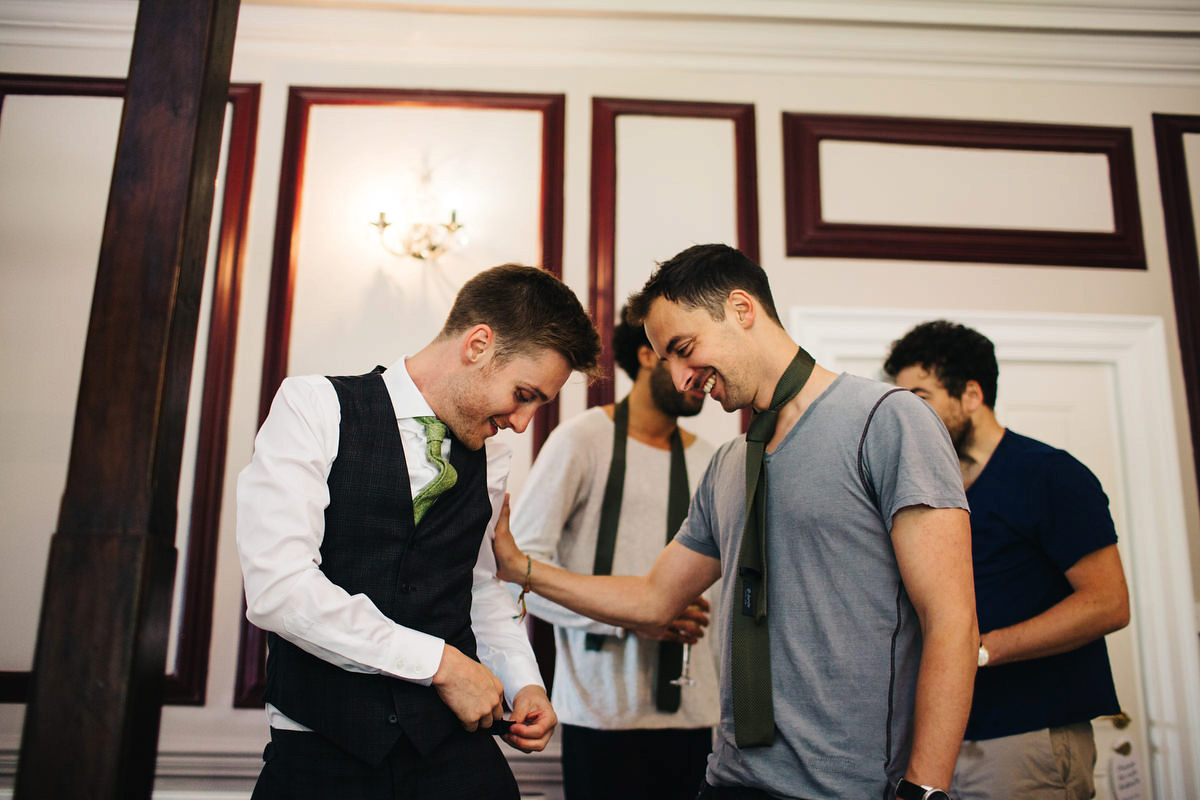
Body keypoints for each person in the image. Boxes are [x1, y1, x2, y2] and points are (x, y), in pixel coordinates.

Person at [492, 243, 978, 800]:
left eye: (684, 348)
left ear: (742, 309)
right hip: (730, 780)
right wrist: (519, 567)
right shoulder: (726, 465)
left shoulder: (890, 421)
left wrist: (927, 789)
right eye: (666, 359)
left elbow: (951, 621)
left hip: (852, 786)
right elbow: (654, 599)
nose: (679, 380)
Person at [236, 263, 601, 800]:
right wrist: (441, 666)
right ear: (478, 344)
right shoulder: (313, 407)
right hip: (320, 754)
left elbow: (476, 585)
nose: (522, 423)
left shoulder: (491, 459)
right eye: (523, 394)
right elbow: (280, 589)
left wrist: (525, 680)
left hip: (450, 754)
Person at [883, 319, 1130, 800]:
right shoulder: (928, 489)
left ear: (971, 394)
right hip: (940, 744)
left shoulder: (1050, 475)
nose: (907, 416)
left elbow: (1108, 603)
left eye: (921, 398)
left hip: (1028, 738)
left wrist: (978, 650)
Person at [509, 305, 720, 800]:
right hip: (601, 713)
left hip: (699, 715)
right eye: (688, 356)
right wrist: (631, 616)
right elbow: (521, 573)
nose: (704, 377)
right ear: (648, 355)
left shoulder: (712, 461)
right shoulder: (582, 441)